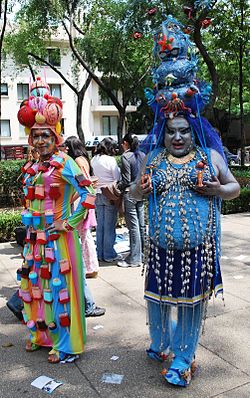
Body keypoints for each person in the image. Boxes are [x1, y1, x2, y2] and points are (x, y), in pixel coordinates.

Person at [131, 16, 240, 387]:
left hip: (197, 249)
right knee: (158, 299)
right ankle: (162, 343)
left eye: (183, 131)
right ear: (163, 132)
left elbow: (235, 189)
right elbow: (133, 193)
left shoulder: (210, 157)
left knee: (192, 307)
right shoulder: (152, 158)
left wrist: (216, 190)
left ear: (192, 129)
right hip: (161, 248)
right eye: (171, 132)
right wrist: (138, 191)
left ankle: (184, 356)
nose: (177, 137)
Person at [16, 77, 95, 363]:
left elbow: (88, 193)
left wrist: (69, 223)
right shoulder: (32, 166)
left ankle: (66, 345)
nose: (40, 140)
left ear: (55, 136)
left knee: (60, 291)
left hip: (59, 238)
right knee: (36, 290)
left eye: (45, 135)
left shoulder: (66, 162)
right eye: (36, 135)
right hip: (34, 241)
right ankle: (41, 335)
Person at [64, 136, 105, 317]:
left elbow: (86, 189)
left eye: (66, 147)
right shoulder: (78, 160)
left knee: (83, 241)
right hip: (76, 211)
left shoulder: (76, 162)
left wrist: (70, 215)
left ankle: (90, 269)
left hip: (78, 210)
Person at [117, 133, 145, 267]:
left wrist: (118, 185)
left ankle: (134, 259)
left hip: (130, 193)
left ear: (125, 143)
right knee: (141, 226)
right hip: (141, 192)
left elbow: (126, 180)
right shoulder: (142, 155)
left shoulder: (125, 157)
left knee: (133, 227)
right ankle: (143, 255)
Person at [91, 137, 121, 262]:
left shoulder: (93, 159)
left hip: (97, 194)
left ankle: (100, 253)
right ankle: (109, 254)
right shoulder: (110, 160)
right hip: (109, 194)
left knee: (101, 226)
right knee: (109, 226)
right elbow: (117, 177)